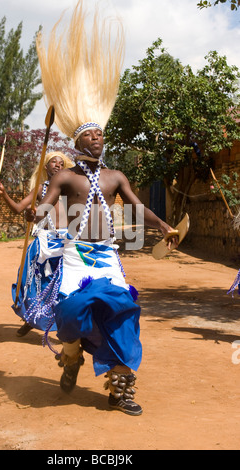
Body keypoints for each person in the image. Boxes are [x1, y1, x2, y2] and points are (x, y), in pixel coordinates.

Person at [24, 0, 179, 416]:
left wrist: (164, 226)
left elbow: (137, 207)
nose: (97, 140)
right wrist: (38, 213)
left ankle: (121, 387)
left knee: (123, 315)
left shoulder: (115, 177)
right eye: (90, 136)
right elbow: (46, 209)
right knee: (72, 314)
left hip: (108, 256)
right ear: (78, 141)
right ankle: (72, 354)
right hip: (75, 257)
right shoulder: (65, 177)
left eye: (100, 135)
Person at [0, 151, 75, 337]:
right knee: (32, 282)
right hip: (43, 242)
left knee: (63, 285)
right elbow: (18, 208)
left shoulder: (71, 189)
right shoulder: (41, 190)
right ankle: (30, 318)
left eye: (61, 163)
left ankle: (66, 330)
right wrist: (4, 193)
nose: (57, 165)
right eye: (53, 162)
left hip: (65, 242)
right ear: (45, 168)